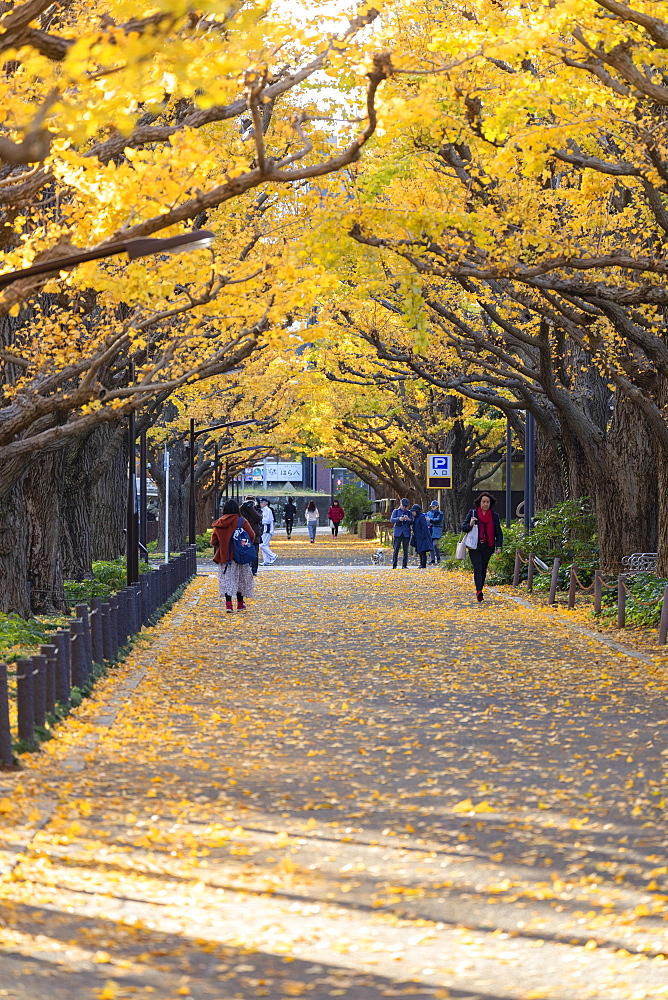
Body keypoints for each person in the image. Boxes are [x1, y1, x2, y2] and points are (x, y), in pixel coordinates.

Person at [211, 498, 257, 612]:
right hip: (240, 556)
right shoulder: (241, 521)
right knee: (240, 579)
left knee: (227, 580)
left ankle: (228, 605)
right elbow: (252, 535)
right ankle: (240, 604)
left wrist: (223, 545)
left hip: (225, 557)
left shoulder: (219, 523)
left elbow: (213, 541)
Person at [462, 491, 503, 601]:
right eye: (483, 502)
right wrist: (470, 524)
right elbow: (464, 527)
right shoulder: (473, 513)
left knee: (483, 568)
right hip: (475, 546)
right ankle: (479, 591)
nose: (485, 504)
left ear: (490, 503)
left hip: (488, 546)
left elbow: (499, 533)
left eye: (487, 502)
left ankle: (480, 588)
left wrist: (499, 547)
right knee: (478, 568)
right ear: (479, 503)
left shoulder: (494, 516)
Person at [240, 495, 262, 576]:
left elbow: (258, 518)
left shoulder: (257, 510)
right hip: (244, 534)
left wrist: (252, 508)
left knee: (255, 553)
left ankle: (254, 570)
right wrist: (243, 506)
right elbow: (238, 514)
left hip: (255, 534)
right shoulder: (242, 509)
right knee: (244, 552)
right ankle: (245, 569)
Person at [390, 498, 414, 569]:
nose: (404, 508)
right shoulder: (396, 511)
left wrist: (408, 519)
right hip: (398, 532)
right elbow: (391, 519)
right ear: (400, 504)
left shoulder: (409, 512)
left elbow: (412, 522)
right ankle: (394, 565)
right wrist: (399, 519)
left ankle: (404, 565)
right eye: (403, 506)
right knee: (396, 549)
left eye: (405, 506)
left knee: (405, 550)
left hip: (406, 533)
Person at [410, 503, 432, 569]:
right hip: (418, 536)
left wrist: (422, 536)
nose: (413, 513)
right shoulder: (416, 518)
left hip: (422, 537)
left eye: (413, 511)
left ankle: (423, 565)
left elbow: (424, 527)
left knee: (423, 552)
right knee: (420, 551)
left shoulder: (421, 517)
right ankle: (421, 564)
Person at [425, 500, 444, 565]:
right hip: (430, 530)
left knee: (435, 544)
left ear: (437, 506)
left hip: (437, 531)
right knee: (430, 545)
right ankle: (432, 559)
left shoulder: (440, 513)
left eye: (434, 506)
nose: (432, 507)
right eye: (432, 506)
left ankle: (438, 558)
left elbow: (438, 520)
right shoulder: (428, 513)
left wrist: (430, 520)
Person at [259, 498, 276, 564]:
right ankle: (266, 560)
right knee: (265, 545)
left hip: (267, 530)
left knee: (263, 545)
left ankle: (273, 555)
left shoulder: (268, 510)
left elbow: (268, 520)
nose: (260, 504)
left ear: (265, 503)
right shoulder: (262, 510)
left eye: (261, 502)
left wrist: (260, 521)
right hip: (264, 530)